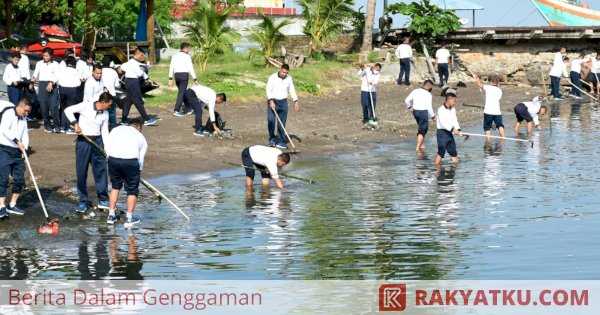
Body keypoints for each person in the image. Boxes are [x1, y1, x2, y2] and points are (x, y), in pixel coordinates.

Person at [64, 92, 112, 213]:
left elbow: (105, 132)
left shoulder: (105, 113)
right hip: (83, 141)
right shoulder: (85, 106)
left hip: (98, 142)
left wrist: (107, 149)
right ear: (103, 102)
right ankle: (83, 201)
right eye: (109, 105)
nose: (110, 107)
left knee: (101, 170)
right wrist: (75, 124)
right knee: (81, 171)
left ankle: (103, 199)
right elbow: (68, 110)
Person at [105, 117, 147, 227]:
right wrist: (138, 172)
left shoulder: (116, 129)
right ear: (139, 127)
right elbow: (140, 160)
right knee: (132, 190)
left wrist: (109, 158)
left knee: (115, 187)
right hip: (131, 161)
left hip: (113, 159)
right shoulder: (141, 136)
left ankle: (111, 215)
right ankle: (129, 218)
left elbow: (107, 146)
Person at [0, 98, 31, 218]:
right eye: (26, 111)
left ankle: (12, 204)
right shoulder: (9, 113)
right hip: (4, 149)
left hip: (17, 152)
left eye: (28, 111)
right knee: (3, 178)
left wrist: (25, 149)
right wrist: (17, 141)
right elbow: (3, 129)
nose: (27, 113)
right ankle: (1, 206)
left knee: (19, 179)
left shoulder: (23, 119)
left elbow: (25, 134)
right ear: (20, 106)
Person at [266, 64, 299, 149]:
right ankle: (271, 139)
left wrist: (295, 101)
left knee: (282, 123)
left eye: (286, 73)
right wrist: (271, 100)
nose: (284, 74)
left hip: (283, 102)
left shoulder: (289, 78)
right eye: (283, 72)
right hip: (273, 101)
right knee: (271, 120)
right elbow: (268, 89)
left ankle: (280, 141)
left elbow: (292, 89)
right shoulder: (272, 77)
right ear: (280, 69)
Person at [121, 48, 157, 126]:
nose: (141, 56)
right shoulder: (136, 64)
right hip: (133, 82)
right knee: (137, 101)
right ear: (137, 53)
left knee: (128, 101)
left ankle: (124, 119)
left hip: (128, 82)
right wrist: (143, 68)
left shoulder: (129, 62)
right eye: (141, 54)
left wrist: (148, 79)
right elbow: (140, 73)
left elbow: (122, 67)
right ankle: (146, 119)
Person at [31, 47, 60, 133]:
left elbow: (57, 75)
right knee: (44, 107)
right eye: (44, 55)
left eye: (47, 56)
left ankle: (56, 125)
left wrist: (52, 82)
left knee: (54, 106)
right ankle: (47, 125)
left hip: (53, 85)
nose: (45, 57)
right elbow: (35, 73)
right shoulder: (39, 63)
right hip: (43, 85)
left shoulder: (56, 64)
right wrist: (32, 80)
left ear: (51, 56)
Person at [434, 91, 463, 165]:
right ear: (449, 100)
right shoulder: (441, 110)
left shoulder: (453, 109)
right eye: (454, 101)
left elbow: (454, 120)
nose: (454, 103)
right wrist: (453, 130)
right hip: (442, 133)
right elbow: (443, 123)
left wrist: (459, 130)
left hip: (449, 133)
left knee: (454, 152)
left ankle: (454, 171)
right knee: (441, 151)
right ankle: (436, 167)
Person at [405, 80, 435, 151]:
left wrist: (409, 107)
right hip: (423, 112)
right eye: (431, 87)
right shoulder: (428, 94)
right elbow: (429, 107)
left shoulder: (415, 91)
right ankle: (418, 148)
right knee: (423, 129)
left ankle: (421, 144)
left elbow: (406, 100)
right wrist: (433, 116)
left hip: (415, 112)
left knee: (421, 127)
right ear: (428, 86)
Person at [169, 42, 198, 116]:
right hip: (184, 75)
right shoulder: (187, 57)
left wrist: (170, 78)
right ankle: (176, 110)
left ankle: (189, 107)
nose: (189, 50)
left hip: (177, 75)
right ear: (186, 48)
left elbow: (171, 67)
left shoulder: (175, 56)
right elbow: (191, 68)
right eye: (189, 48)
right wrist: (195, 79)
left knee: (183, 91)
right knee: (181, 93)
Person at [58, 56, 81, 133]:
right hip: (71, 90)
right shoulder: (75, 71)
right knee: (70, 109)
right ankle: (68, 127)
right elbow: (78, 83)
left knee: (64, 108)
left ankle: (62, 126)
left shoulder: (61, 70)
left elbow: (58, 79)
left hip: (62, 89)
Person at [101, 56, 120, 129]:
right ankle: (113, 127)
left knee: (101, 111)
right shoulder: (113, 72)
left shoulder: (100, 71)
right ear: (110, 63)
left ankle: (102, 127)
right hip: (112, 93)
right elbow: (117, 85)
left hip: (102, 94)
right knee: (112, 112)